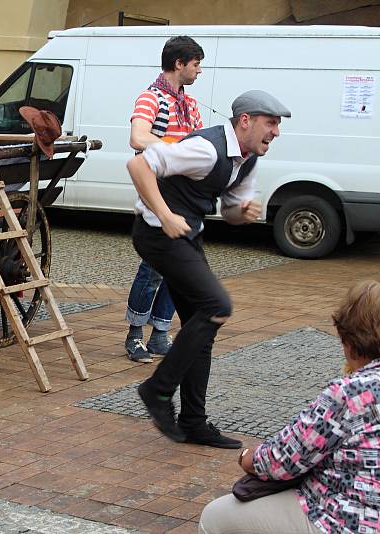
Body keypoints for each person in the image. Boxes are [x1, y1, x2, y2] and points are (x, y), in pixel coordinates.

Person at [128, 89, 291, 448]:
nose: (276, 132)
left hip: (186, 235)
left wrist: (241, 214)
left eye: (278, 125)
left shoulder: (245, 159)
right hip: (158, 234)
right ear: (245, 121)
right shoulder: (206, 148)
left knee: (202, 325)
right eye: (271, 123)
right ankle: (157, 390)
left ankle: (193, 422)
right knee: (217, 306)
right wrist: (166, 214)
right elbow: (138, 165)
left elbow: (229, 212)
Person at [199, 280, 380, 533]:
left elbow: (285, 458)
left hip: (347, 520)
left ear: (350, 340)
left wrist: (248, 458)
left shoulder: (351, 392)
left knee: (215, 518)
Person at [125, 36, 204, 363]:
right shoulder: (150, 97)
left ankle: (160, 333)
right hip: (158, 192)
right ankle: (134, 334)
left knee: (179, 266)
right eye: (196, 64)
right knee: (154, 266)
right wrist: (178, 147)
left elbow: (200, 143)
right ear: (179, 64)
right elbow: (137, 137)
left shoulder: (191, 104)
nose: (199, 71)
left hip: (185, 194)